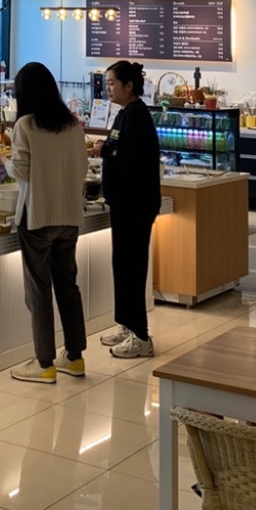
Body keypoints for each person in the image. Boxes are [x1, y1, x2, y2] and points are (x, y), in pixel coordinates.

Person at [7, 61, 89, 384]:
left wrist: (3, 160)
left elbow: (21, 171)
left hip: (37, 217)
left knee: (39, 291)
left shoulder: (25, 125)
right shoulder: (72, 124)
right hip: (69, 217)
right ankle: (75, 357)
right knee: (68, 286)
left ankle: (44, 363)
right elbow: (83, 168)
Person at [99, 60, 161, 359]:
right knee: (122, 266)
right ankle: (127, 324)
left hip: (135, 204)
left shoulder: (138, 116)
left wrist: (107, 152)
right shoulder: (125, 113)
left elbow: (128, 158)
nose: (108, 88)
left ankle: (141, 336)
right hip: (123, 203)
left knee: (132, 268)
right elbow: (114, 148)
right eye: (107, 83)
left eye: (112, 83)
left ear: (129, 85)